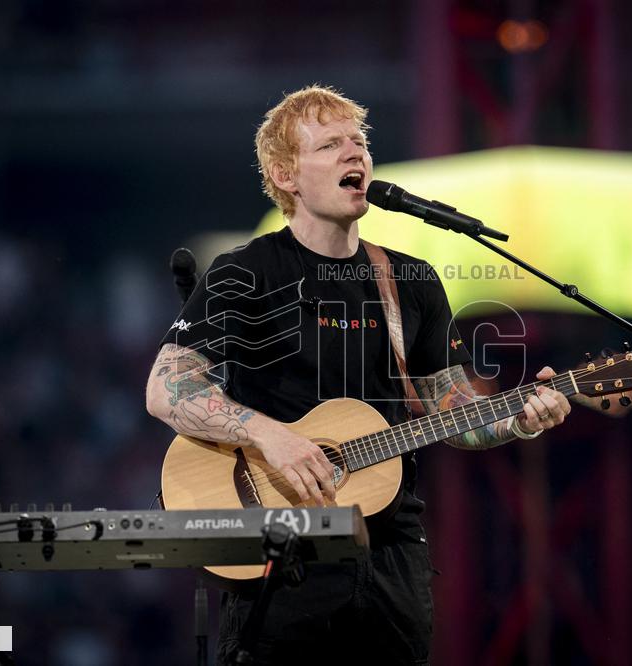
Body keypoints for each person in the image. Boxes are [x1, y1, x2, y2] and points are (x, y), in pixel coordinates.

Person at [145, 85, 571, 665]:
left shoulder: (411, 280)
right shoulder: (245, 272)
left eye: (360, 142)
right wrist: (271, 435)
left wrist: (519, 419)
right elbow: (167, 389)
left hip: (391, 559)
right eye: (330, 145)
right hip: (282, 555)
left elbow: (452, 415)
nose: (356, 154)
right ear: (286, 174)